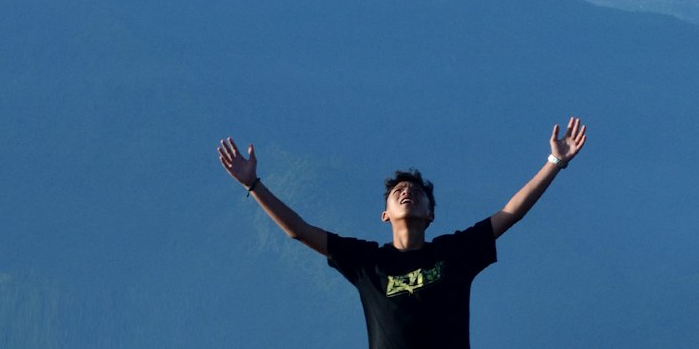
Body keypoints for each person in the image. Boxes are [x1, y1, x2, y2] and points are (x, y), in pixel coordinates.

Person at [217, 117, 586, 349]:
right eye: (398, 193)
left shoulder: (454, 253)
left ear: (430, 215)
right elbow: (299, 231)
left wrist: (554, 163)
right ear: (385, 214)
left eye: (416, 192)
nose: (407, 192)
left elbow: (511, 213)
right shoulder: (367, 262)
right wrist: (254, 185)